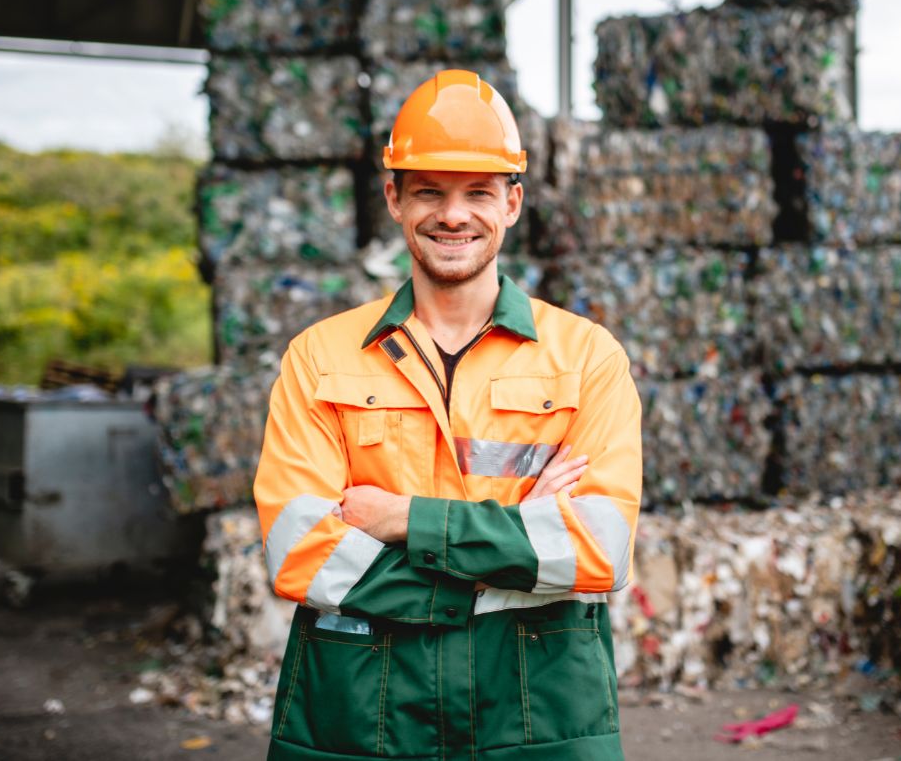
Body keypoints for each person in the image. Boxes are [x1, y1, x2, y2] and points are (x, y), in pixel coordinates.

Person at [253, 68, 641, 761]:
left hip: (537, 706)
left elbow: (598, 549)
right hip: (363, 705)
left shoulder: (586, 359)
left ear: (513, 202)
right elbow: (300, 552)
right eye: (430, 191)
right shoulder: (320, 356)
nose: (453, 215)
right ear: (394, 197)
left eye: (478, 193)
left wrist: (406, 519)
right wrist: (521, 538)